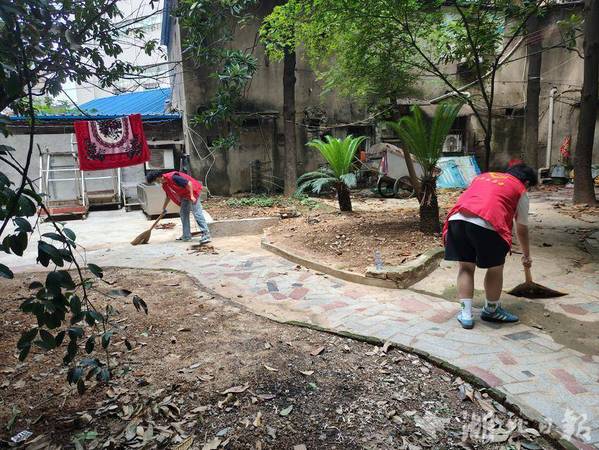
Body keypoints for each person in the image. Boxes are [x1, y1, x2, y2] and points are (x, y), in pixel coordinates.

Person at [443, 164, 538, 329]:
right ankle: (491, 310)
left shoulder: (483, 176)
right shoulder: (520, 188)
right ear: (527, 182)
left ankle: (466, 315)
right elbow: (521, 228)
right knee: (495, 269)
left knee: (465, 267)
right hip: (488, 223)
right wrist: (526, 255)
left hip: (457, 219)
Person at [146, 170, 211, 244]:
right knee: (183, 214)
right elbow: (168, 196)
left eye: (156, 181)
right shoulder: (165, 185)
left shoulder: (173, 177)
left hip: (193, 192)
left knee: (197, 213)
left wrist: (192, 196)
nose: (157, 183)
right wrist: (164, 207)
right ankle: (186, 236)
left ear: (158, 177)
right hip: (184, 195)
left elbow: (189, 183)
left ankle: (206, 234)